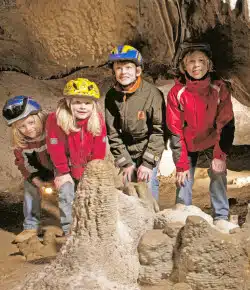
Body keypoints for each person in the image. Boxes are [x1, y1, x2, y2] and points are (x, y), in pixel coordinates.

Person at [166, 42, 236, 230]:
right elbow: (175, 129)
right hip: (188, 142)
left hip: (212, 139)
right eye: (191, 62)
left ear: (208, 64)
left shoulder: (219, 89)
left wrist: (219, 155)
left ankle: (221, 216)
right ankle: (183, 212)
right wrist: (181, 165)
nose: (196, 66)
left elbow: (226, 122)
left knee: (218, 172)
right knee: (183, 178)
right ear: (184, 66)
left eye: (201, 61)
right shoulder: (177, 93)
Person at [46, 78, 106, 235]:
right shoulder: (56, 119)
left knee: (90, 196)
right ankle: (69, 231)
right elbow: (55, 147)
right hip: (65, 166)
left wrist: (93, 172)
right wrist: (63, 172)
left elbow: (99, 147)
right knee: (67, 195)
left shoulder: (97, 119)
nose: (82, 107)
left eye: (87, 103)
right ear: (68, 102)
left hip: (87, 166)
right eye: (77, 102)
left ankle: (89, 229)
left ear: (93, 105)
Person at [105, 45, 165, 201]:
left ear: (137, 70)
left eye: (128, 67)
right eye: (119, 68)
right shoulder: (111, 96)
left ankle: (151, 220)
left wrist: (148, 163)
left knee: (146, 184)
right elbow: (112, 132)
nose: (123, 72)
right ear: (114, 72)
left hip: (148, 145)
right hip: (126, 149)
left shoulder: (152, 94)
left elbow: (159, 131)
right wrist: (124, 161)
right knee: (127, 188)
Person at [2, 95, 54, 243]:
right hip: (41, 172)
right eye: (22, 127)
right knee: (29, 186)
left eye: (31, 123)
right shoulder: (21, 143)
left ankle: (71, 222)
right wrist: (35, 179)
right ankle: (31, 227)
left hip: (63, 169)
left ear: (39, 117)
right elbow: (22, 164)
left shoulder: (53, 129)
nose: (28, 129)